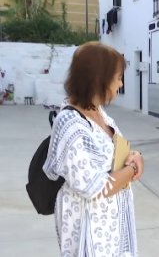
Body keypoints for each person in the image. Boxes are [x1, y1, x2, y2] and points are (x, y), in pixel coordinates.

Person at [43, 41, 144, 257]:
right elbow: (95, 188)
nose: (120, 84)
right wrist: (132, 170)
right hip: (91, 231)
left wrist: (135, 156)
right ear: (99, 78)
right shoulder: (69, 123)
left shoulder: (99, 113)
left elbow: (118, 150)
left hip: (111, 228)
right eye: (117, 77)